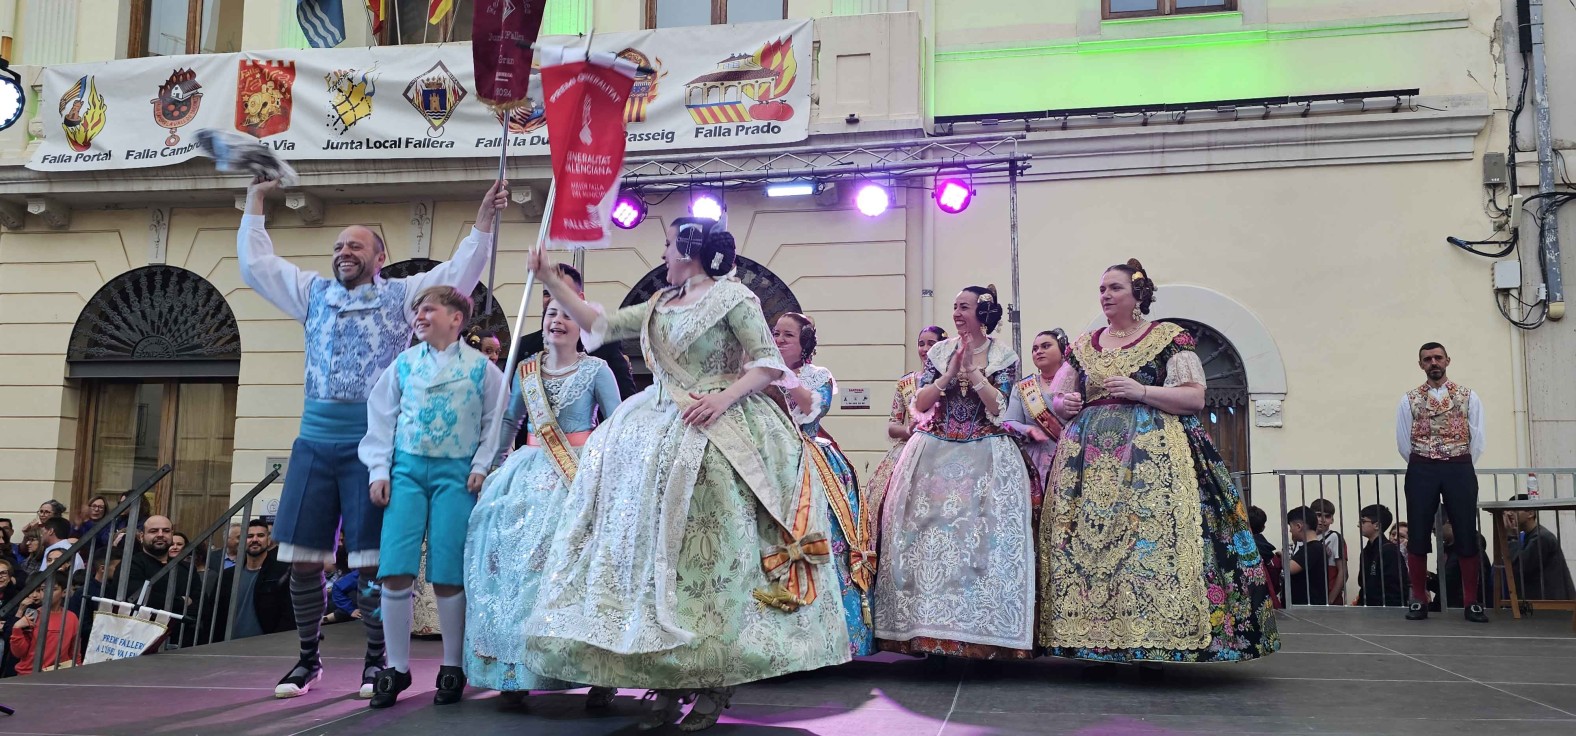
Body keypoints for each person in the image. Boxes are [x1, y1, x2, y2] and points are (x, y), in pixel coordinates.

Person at [521, 219, 851, 732]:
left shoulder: (734, 297)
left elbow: (766, 364)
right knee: (658, 563)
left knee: (714, 561)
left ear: (691, 250)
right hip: (654, 433)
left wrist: (722, 397)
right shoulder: (657, 304)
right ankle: (669, 676)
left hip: (718, 432)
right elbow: (599, 324)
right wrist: (550, 278)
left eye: (670, 245)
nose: (664, 253)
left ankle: (715, 680)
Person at [238, 176, 506, 698]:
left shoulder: (404, 298)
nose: (343, 252)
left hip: (372, 446)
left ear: (379, 256)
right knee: (302, 560)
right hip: (314, 440)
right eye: (338, 245)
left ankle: (375, 663)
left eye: (355, 245)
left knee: (372, 564)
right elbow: (257, 266)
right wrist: (255, 203)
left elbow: (459, 274)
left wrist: (483, 221)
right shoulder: (312, 294)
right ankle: (307, 660)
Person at [1041, 259, 1277, 665]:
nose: (1105, 295)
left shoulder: (1168, 338)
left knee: (1148, 541)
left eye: (1114, 288)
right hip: (1089, 462)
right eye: (1102, 288)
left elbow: (1194, 397)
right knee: (1091, 547)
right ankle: (1094, 637)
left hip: (1156, 459)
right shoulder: (1083, 345)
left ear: (1138, 295)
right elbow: (1057, 400)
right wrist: (1070, 402)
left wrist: (1142, 391)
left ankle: (1159, 636)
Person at [465, 296, 621, 706]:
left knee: (579, 570)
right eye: (551, 314)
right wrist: (490, 466)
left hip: (578, 473)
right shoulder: (526, 371)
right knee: (517, 572)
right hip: (527, 472)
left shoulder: (596, 370)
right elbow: (510, 421)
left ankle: (598, 672)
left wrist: (612, 474)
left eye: (568, 315)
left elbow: (617, 425)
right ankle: (515, 668)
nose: (558, 321)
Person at [359, 285, 505, 709]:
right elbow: (381, 418)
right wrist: (379, 469)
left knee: (448, 569)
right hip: (406, 471)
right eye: (417, 311)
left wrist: (481, 467)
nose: (419, 317)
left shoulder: (482, 370)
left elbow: (496, 424)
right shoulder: (403, 365)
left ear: (456, 318)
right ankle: (398, 668)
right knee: (395, 567)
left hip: (456, 475)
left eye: (428, 310)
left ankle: (452, 665)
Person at [875, 285, 1038, 661]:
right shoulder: (938, 351)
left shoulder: (1004, 355)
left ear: (983, 312)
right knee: (923, 538)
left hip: (985, 453)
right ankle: (926, 633)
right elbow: (918, 405)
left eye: (964, 307)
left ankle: (978, 636)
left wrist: (975, 376)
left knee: (979, 541)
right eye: (954, 306)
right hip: (934, 450)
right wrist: (948, 375)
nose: (957, 313)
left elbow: (999, 410)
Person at [772, 312, 874, 657]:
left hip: (808, 460)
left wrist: (781, 378)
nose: (779, 339)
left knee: (819, 541)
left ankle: (826, 638)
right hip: (767, 460)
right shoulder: (757, 374)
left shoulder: (818, 376)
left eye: (788, 335)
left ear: (805, 344)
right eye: (775, 333)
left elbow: (811, 412)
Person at [1396, 342, 1488, 623]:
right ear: (1421, 364)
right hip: (1422, 466)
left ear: (1447, 360)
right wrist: (1425, 460)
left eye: (1438, 357)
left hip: (1459, 465)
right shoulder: (1409, 399)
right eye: (1427, 359)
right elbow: (1403, 441)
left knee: (1464, 531)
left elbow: (1478, 437)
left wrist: (1457, 461)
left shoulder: (1468, 396)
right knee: (1419, 531)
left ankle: (1472, 601)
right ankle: (1419, 600)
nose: (1433, 362)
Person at [862, 326, 946, 562]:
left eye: (932, 344)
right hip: (906, 452)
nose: (925, 349)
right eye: (921, 343)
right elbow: (892, 425)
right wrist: (909, 430)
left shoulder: (950, 381)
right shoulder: (907, 382)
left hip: (941, 453)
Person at [510, 263, 639, 402]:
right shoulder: (522, 347)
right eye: (547, 293)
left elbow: (625, 399)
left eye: (561, 292)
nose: (553, 299)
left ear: (580, 298)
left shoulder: (603, 346)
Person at [1001, 328, 1069, 489]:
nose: (1039, 351)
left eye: (1046, 346)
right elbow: (1008, 422)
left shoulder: (1077, 382)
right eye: (1035, 349)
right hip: (1036, 462)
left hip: (1070, 457)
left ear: (1063, 350)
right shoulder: (1023, 388)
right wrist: (1027, 429)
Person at [216, 519, 293, 640]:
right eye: (250, 536)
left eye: (261, 535)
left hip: (266, 649)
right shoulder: (228, 576)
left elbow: (289, 615)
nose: (255, 539)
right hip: (229, 647)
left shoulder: (283, 573)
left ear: (268, 540)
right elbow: (216, 614)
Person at [1506, 495, 1576, 601]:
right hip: (1549, 606)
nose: (1510, 515)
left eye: (1515, 510)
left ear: (1531, 513)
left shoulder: (1541, 538)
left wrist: (1511, 537)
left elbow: (1519, 568)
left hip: (1554, 608)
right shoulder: (1533, 536)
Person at [8, 570, 78, 675]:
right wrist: (17, 628)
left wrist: (77, 672)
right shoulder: (32, 615)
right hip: (29, 674)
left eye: (53, 589)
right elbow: (18, 653)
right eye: (43, 589)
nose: (47, 593)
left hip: (60, 675)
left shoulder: (71, 617)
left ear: (64, 592)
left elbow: (75, 652)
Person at [1357, 504, 1407, 607]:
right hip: (1367, 610)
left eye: (1363, 521)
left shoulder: (1390, 551)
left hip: (1386, 613)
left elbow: (1395, 590)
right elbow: (1363, 585)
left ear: (1377, 525)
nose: (1358, 525)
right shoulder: (1366, 551)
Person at [1286, 507, 1329, 606]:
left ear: (1298, 526)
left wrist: (1284, 555)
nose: (1290, 531)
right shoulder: (1313, 547)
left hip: (1308, 607)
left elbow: (1290, 568)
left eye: (1290, 526)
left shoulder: (1313, 548)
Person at [1310, 499, 1348, 605]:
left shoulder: (1334, 537)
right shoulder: (1303, 538)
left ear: (1332, 519)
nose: (1323, 520)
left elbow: (1343, 572)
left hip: (1329, 598)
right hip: (1309, 597)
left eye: (1327, 516)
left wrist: (1330, 600)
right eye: (1318, 515)